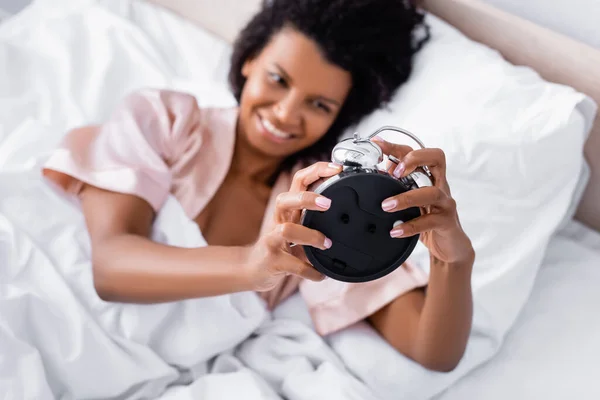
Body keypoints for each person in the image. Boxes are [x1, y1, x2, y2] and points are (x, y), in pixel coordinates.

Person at [43, 0, 474, 372]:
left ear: (340, 115)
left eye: (318, 104)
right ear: (249, 59)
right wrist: (251, 267)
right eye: (278, 79)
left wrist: (452, 259)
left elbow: (433, 352)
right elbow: (111, 268)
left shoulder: (321, 205)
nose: (286, 113)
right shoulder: (164, 119)